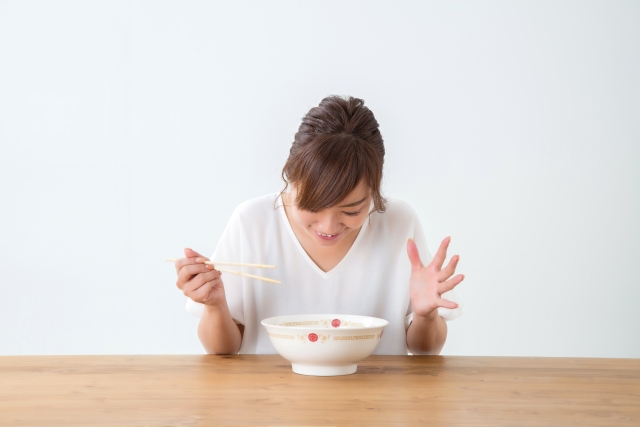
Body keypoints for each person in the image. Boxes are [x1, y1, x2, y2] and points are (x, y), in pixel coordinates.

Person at [173, 95, 464, 355]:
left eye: (351, 210)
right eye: (312, 206)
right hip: (268, 405)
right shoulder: (252, 222)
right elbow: (222, 350)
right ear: (290, 176)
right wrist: (214, 305)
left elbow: (426, 350)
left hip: (375, 406)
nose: (328, 225)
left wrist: (426, 316)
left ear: (375, 192)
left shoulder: (399, 223)